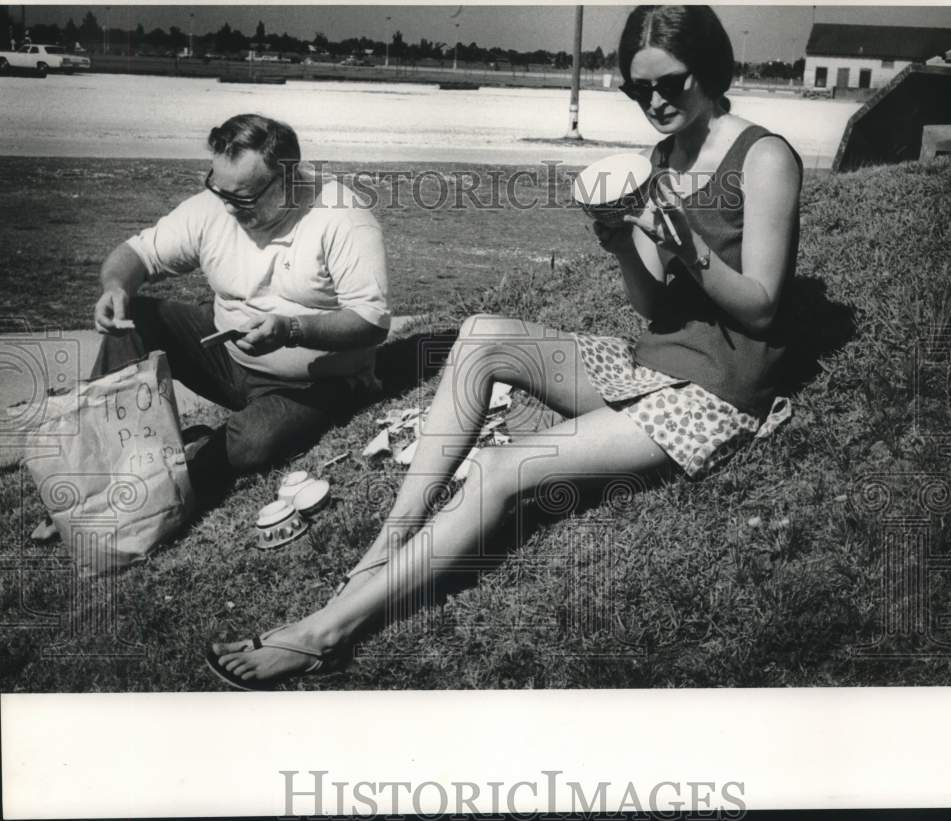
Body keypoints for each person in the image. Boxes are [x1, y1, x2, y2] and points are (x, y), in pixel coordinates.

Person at [206, 5, 802, 689]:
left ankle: (322, 633)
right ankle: (387, 544)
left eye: (671, 83)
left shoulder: (764, 156)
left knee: (499, 468)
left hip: (718, 390)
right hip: (660, 358)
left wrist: (687, 244)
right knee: (483, 332)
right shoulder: (659, 161)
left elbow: (762, 306)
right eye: (640, 91)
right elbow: (657, 305)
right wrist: (622, 243)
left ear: (711, 65)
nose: (656, 103)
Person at [92, 114, 391, 504]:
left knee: (254, 444)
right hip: (224, 354)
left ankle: (180, 469)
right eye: (219, 190)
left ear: (287, 180)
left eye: (243, 198)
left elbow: (372, 321)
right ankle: (106, 466)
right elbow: (138, 253)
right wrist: (115, 287)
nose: (229, 208)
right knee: (135, 320)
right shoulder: (218, 204)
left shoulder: (343, 218)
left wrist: (291, 330)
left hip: (312, 383)